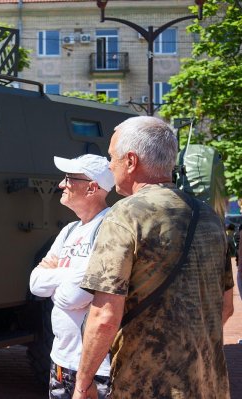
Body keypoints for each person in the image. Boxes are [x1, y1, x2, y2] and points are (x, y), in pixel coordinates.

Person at [73, 116, 234, 399]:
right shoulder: (209, 216)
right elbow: (226, 307)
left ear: (131, 161)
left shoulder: (125, 215)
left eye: (112, 157)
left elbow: (105, 316)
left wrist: (83, 383)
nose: (110, 165)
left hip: (146, 385)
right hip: (209, 383)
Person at [30, 154, 115, 399]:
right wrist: (69, 275)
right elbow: (35, 284)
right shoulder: (69, 230)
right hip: (61, 360)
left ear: (92, 187)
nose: (61, 184)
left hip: (97, 368)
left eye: (69, 178)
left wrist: (54, 274)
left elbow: (72, 296)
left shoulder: (109, 228)